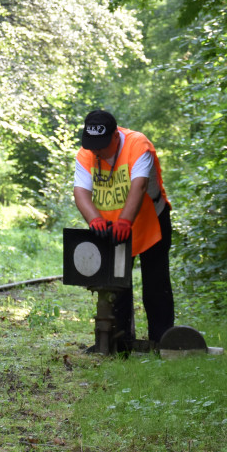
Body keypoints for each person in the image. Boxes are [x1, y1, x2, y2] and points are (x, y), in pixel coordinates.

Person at [73, 109, 174, 346]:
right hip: (112, 228)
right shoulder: (85, 155)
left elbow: (139, 186)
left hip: (150, 222)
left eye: (101, 145)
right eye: (92, 145)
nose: (96, 150)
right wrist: (94, 220)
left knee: (156, 285)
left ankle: (161, 342)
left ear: (115, 137)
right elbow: (81, 192)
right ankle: (119, 343)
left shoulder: (139, 146)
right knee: (116, 285)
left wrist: (126, 221)